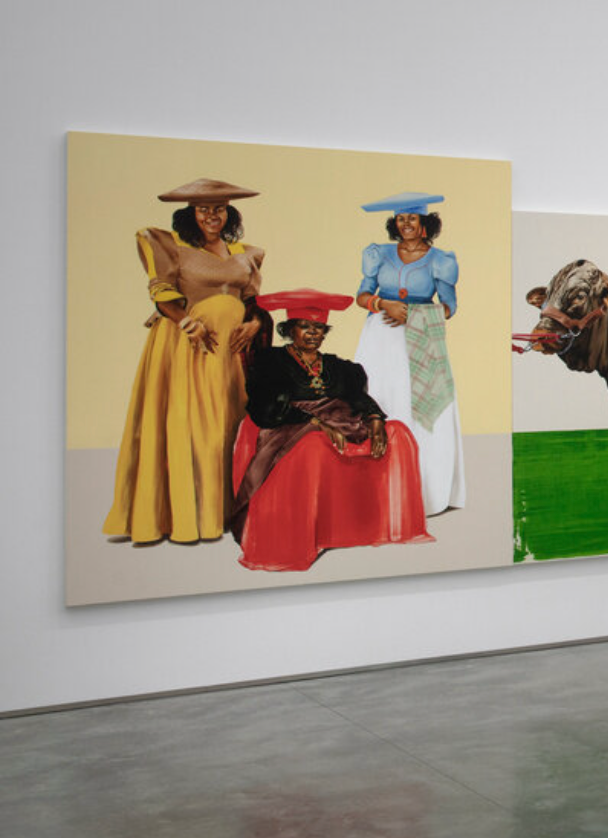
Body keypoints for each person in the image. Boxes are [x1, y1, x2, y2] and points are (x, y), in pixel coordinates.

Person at [103, 178, 272, 546]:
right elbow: (162, 295)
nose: (212, 216)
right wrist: (186, 322)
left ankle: (228, 510)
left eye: (219, 209)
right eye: (203, 209)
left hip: (232, 354)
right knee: (192, 426)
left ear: (229, 212)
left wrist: (255, 322)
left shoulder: (246, 253)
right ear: (189, 214)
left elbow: (254, 303)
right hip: (189, 345)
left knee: (230, 424)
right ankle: (189, 515)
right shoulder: (169, 247)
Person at [230, 290, 429, 571]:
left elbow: (357, 397)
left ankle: (368, 525)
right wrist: (314, 423)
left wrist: (374, 417)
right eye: (306, 327)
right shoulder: (270, 362)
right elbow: (266, 405)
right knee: (314, 447)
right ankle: (311, 531)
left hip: (341, 421)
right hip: (288, 423)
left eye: (319, 328)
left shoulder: (339, 366)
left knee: (398, 434)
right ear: (289, 330)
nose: (313, 334)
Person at [352, 191, 464, 516]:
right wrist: (382, 304)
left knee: (416, 406)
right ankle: (376, 489)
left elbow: (448, 306)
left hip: (419, 339)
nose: (406, 225)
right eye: (401, 219)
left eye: (412, 218)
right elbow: (361, 294)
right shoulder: (379, 254)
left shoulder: (441, 260)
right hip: (379, 340)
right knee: (380, 398)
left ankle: (423, 489)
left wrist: (415, 315)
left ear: (425, 222)